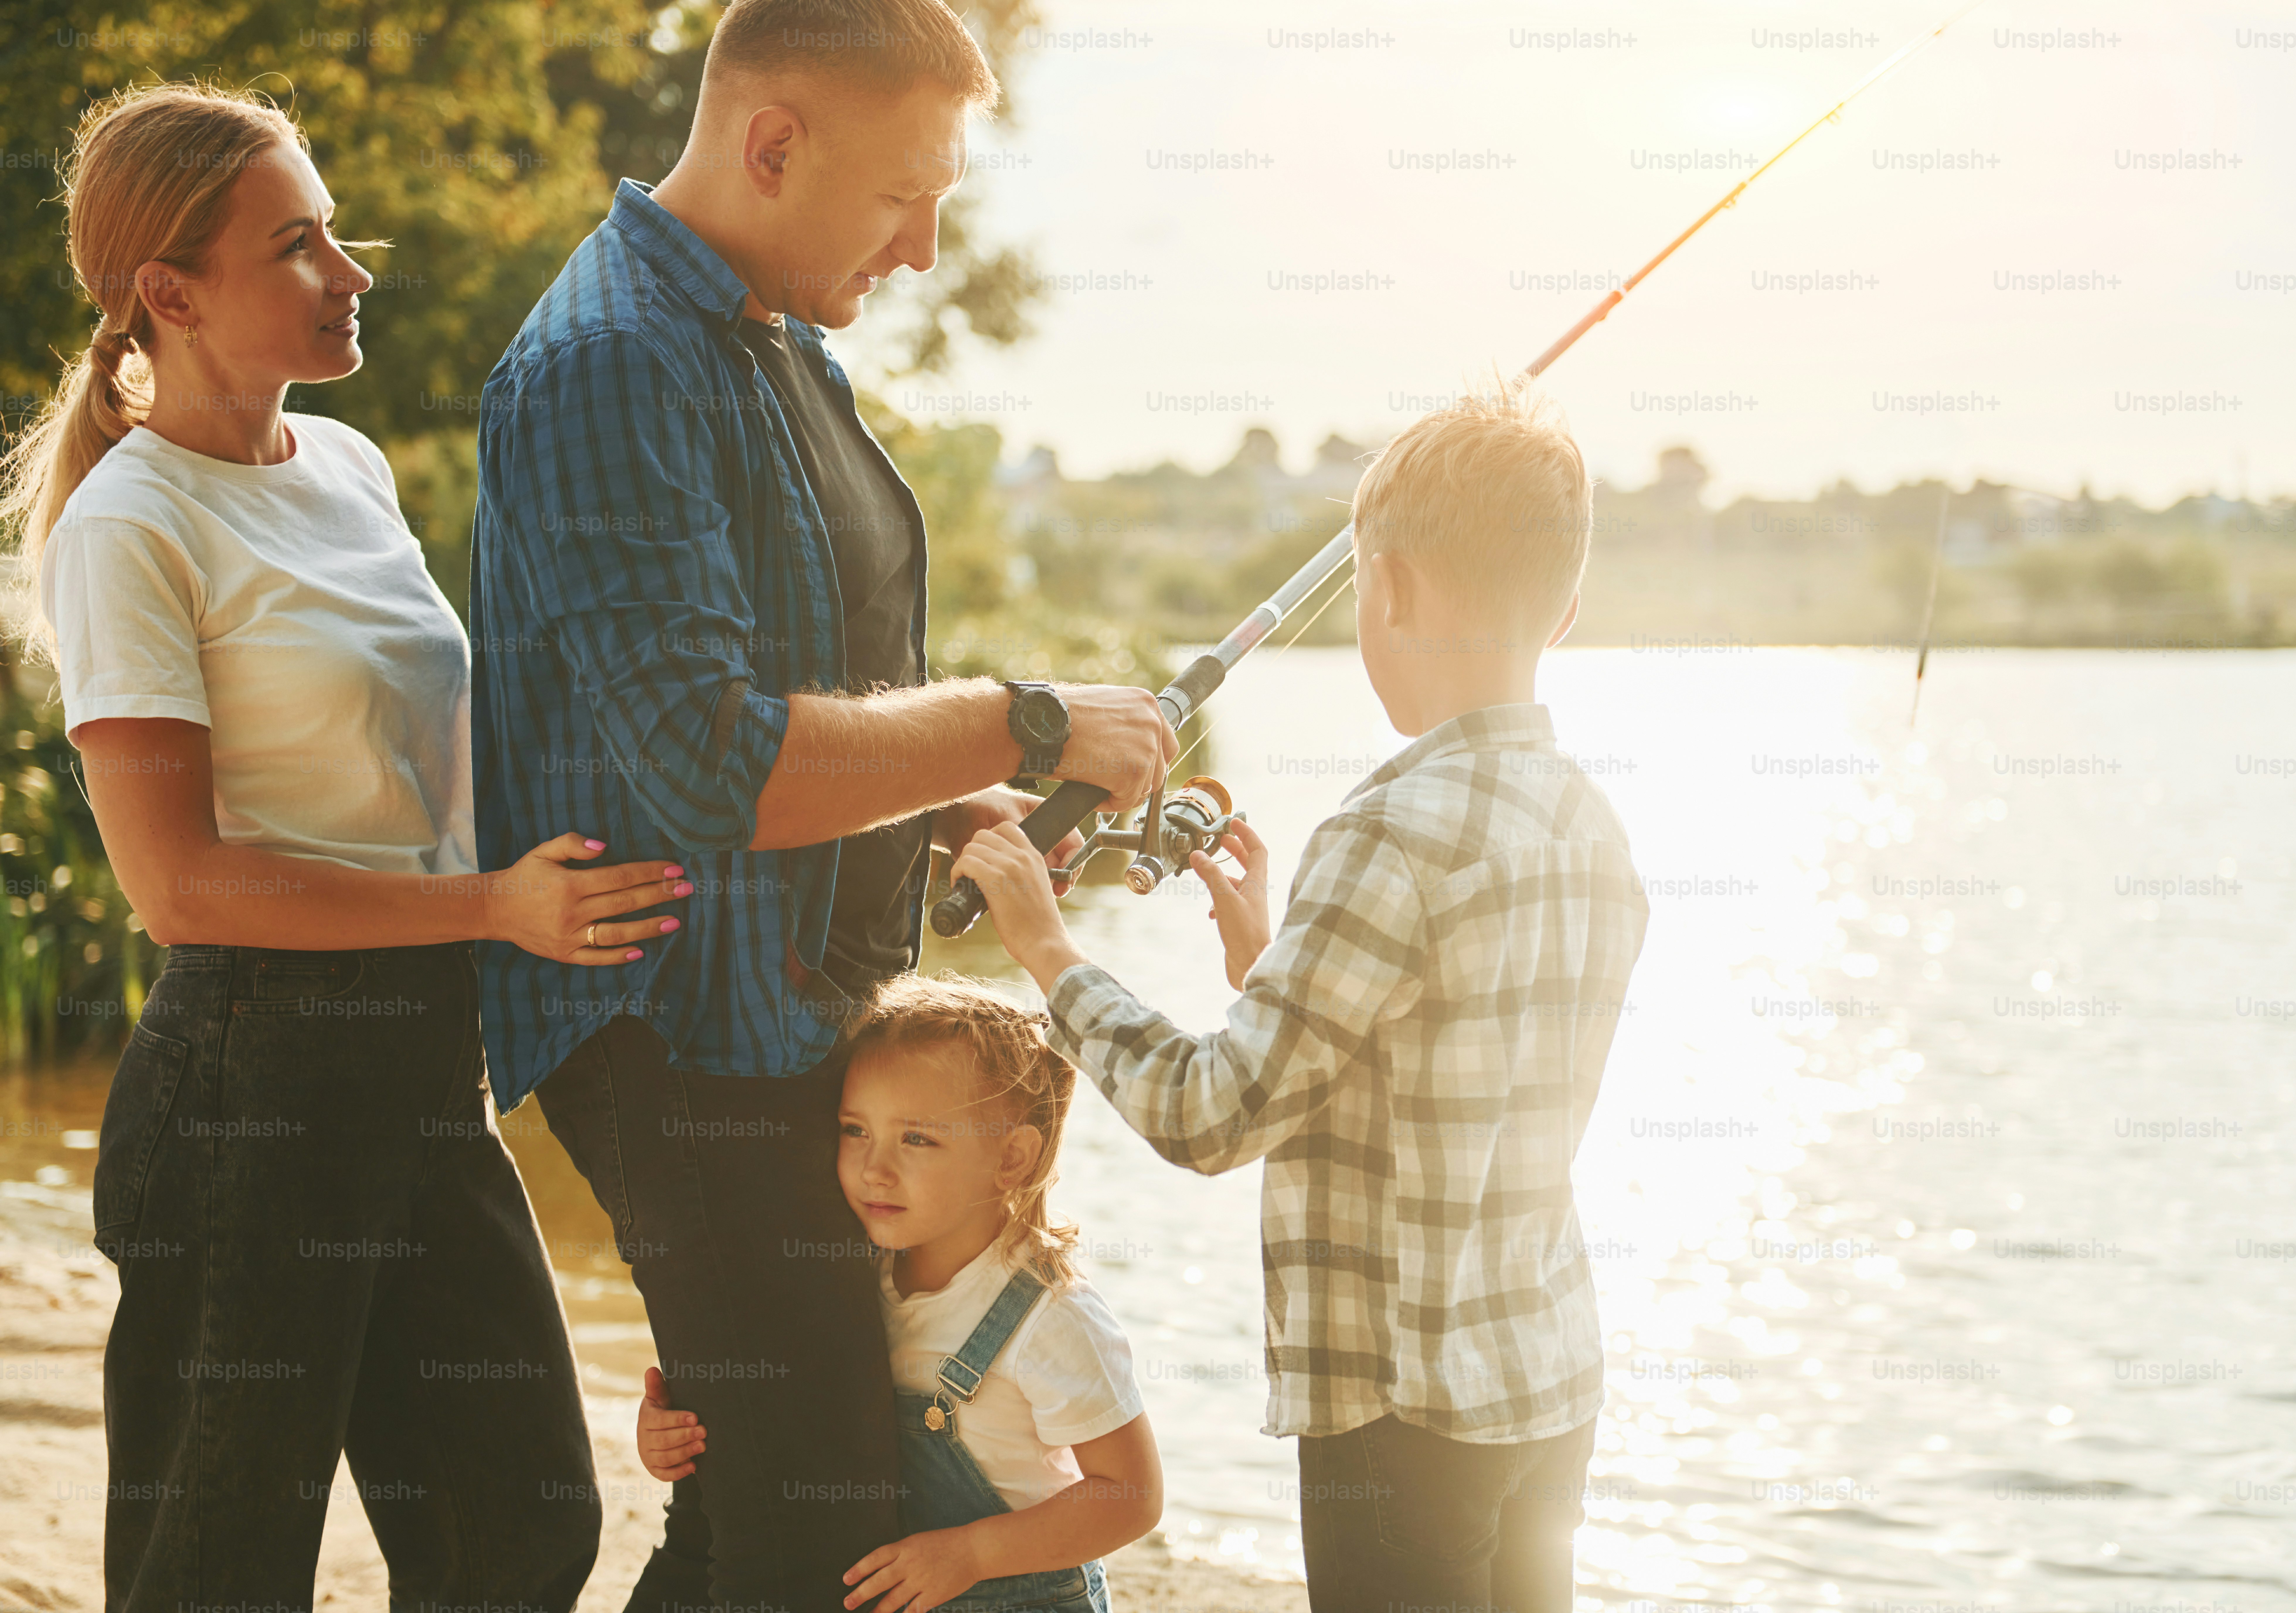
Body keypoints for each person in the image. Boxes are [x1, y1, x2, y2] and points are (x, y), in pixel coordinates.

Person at [467, 0, 1174, 1602]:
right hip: (684, 1043)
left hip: (800, 1020)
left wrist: (955, 806)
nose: (924, 249)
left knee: (745, 1518)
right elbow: (713, 764)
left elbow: (801, 694)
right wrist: (1032, 716)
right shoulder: (604, 367)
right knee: (819, 1533)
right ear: (773, 141)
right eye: (903, 195)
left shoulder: (770, 335)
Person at [3, 82, 688, 1611]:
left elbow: (446, 763)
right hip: (250, 1092)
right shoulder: (131, 527)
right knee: (216, 1570)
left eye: (338, 235)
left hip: (428, 1068)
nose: (350, 272)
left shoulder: (352, 468)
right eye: (298, 244)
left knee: (518, 1527)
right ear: (168, 294)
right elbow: (175, 884)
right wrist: (491, 906)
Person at [953, 385, 1654, 1613]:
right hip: (1544, 1382)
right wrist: (1270, 961)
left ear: (1385, 588)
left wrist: (1049, 947)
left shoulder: (1390, 827)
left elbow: (1211, 1118)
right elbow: (1455, 1056)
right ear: (1570, 607)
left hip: (1401, 1407)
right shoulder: (1590, 818)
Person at [634, 974, 1161, 1612]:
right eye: (856, 1130)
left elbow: (1130, 1496)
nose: (873, 1167)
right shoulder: (851, 1277)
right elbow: (779, 1408)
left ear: (1012, 1158)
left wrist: (971, 1553)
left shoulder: (1051, 1317)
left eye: (917, 1139)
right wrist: (676, 1431)